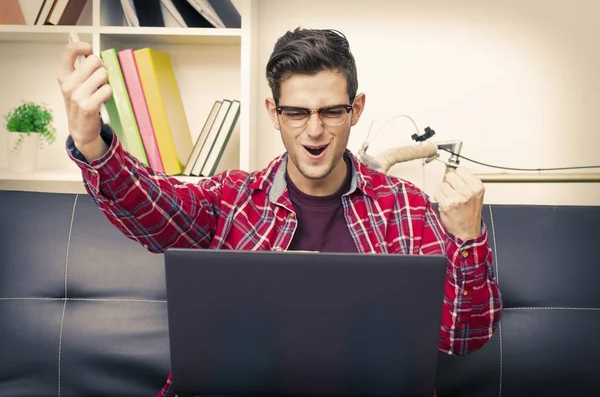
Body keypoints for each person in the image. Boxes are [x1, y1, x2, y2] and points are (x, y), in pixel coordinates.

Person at [57, 27, 502, 397]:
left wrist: (467, 238)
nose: (313, 130)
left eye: (331, 112)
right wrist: (92, 142)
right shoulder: (230, 198)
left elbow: (461, 337)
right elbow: (153, 210)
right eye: (296, 112)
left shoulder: (406, 207)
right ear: (273, 112)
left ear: (357, 109)